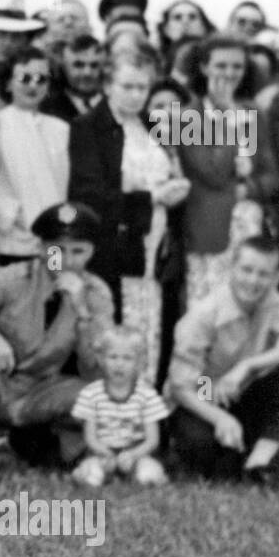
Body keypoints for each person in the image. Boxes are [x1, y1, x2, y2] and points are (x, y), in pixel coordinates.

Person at [0, 202, 115, 465]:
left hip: (39, 389)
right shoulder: (13, 278)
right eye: (57, 250)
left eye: (78, 251)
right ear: (41, 249)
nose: (67, 261)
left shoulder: (96, 293)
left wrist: (82, 311)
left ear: (92, 252)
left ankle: (49, 445)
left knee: (98, 395)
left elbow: (98, 368)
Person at [69, 53, 191, 372]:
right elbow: (88, 194)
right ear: (108, 85)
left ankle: (148, 402)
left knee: (152, 322)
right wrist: (151, 197)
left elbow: (170, 170)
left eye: (142, 87)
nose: (136, 95)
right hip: (116, 244)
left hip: (156, 243)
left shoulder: (150, 124)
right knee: (118, 325)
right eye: (127, 86)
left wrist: (175, 189)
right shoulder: (88, 127)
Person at [167, 235, 279, 481]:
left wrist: (246, 365)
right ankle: (236, 457)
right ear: (232, 268)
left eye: (263, 274)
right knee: (205, 450)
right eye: (247, 270)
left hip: (243, 387)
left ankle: (258, 462)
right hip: (203, 388)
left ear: (276, 278)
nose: (253, 281)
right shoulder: (204, 314)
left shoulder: (274, 303)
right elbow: (180, 387)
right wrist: (221, 417)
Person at [177, 36, 264, 307]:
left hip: (249, 233)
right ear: (204, 67)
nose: (229, 73)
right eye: (221, 65)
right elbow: (212, 173)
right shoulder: (185, 116)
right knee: (206, 313)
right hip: (208, 231)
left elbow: (272, 174)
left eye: (237, 66)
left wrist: (248, 188)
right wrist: (228, 116)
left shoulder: (252, 111)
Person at [0, 47, 69, 265]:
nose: (33, 85)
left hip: (55, 239)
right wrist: (12, 216)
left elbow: (63, 185)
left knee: (54, 290)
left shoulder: (60, 129)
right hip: (12, 239)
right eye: (25, 78)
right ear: (8, 83)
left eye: (41, 79)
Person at [71, 325, 168, 486]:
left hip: (136, 453)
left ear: (139, 362)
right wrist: (105, 453)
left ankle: (143, 476)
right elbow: (90, 437)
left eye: (127, 358)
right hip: (102, 453)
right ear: (101, 359)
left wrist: (133, 455)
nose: (119, 364)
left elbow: (152, 440)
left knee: (148, 475)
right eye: (113, 357)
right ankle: (90, 473)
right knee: (91, 476)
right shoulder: (91, 394)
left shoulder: (147, 395)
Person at [41, 33, 103, 123]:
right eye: (78, 65)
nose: (87, 73)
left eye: (94, 65)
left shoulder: (117, 104)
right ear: (64, 67)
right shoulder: (46, 111)